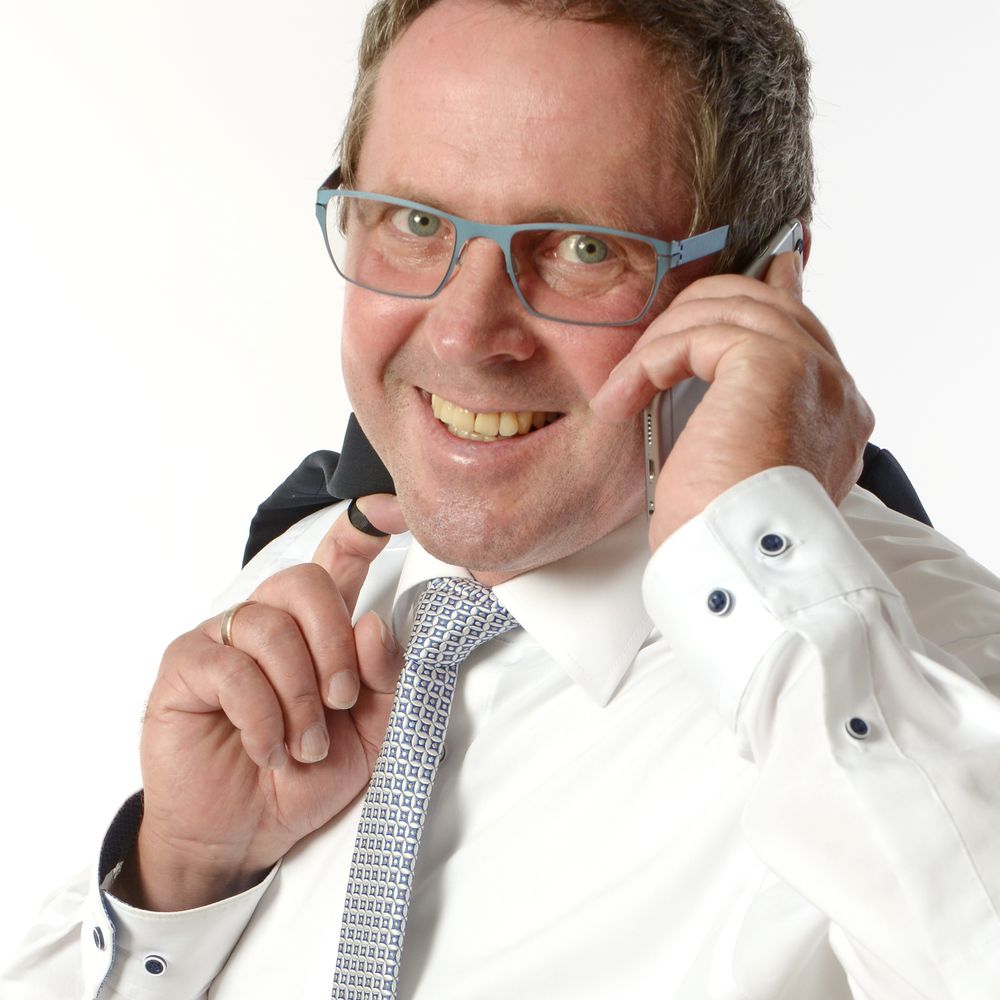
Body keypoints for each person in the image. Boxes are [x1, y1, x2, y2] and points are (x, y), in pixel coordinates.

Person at [5, 0, 1000, 997]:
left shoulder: (931, 680)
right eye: (415, 222)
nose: (465, 334)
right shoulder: (306, 584)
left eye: (583, 249)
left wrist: (773, 579)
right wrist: (184, 880)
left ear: (765, 284)